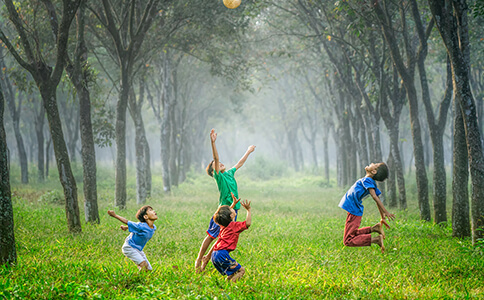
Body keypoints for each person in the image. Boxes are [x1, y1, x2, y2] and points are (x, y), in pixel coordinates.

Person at [195, 128, 255, 273]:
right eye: (216, 164)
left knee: (224, 236)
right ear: (213, 171)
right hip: (223, 211)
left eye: (220, 163)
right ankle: (199, 259)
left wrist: (248, 151)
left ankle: (208, 258)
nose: (220, 163)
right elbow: (215, 158)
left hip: (233, 210)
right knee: (211, 235)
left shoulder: (229, 173)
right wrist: (213, 142)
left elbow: (239, 163)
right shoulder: (219, 177)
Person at [338, 162, 395, 253]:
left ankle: (376, 240)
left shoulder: (368, 180)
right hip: (353, 209)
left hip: (354, 210)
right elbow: (377, 198)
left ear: (373, 171)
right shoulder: (369, 181)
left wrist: (385, 211)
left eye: (374, 164)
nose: (372, 163)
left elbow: (375, 197)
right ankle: (374, 229)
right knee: (352, 234)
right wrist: (382, 217)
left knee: (348, 240)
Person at [210, 193, 251, 282]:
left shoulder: (223, 225)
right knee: (241, 271)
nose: (232, 208)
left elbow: (226, 215)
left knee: (233, 272)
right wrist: (248, 210)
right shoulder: (234, 226)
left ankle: (225, 287)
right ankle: (231, 288)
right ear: (231, 215)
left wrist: (233, 204)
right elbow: (247, 223)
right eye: (231, 209)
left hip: (214, 255)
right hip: (222, 255)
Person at [107, 206, 158, 271]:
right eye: (150, 210)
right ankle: (138, 280)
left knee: (149, 269)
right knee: (143, 264)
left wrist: (126, 227)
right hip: (129, 247)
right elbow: (127, 221)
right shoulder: (141, 226)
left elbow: (136, 228)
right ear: (146, 217)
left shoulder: (153, 227)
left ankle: (141, 278)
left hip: (138, 249)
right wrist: (115, 215)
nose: (154, 211)